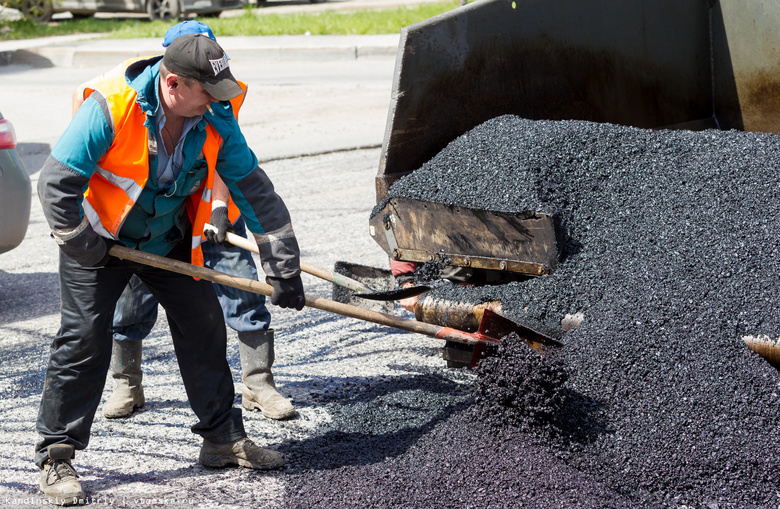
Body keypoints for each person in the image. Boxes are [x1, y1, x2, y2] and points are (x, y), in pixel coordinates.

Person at [36, 32, 306, 506]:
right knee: (83, 339)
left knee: (204, 327)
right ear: (173, 83)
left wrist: (283, 269)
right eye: (207, 92)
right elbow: (57, 185)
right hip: (100, 241)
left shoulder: (214, 116)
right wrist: (84, 244)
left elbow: (254, 191)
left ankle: (221, 438)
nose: (217, 103)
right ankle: (57, 454)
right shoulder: (110, 107)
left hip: (168, 242)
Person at [71, 21, 296, 423]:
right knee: (132, 302)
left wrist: (221, 210)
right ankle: (127, 383)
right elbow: (81, 162)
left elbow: (233, 160)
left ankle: (257, 384)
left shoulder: (216, 97)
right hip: (153, 225)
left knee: (240, 292)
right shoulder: (129, 100)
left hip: (210, 214)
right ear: (171, 75)